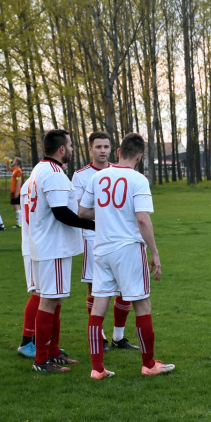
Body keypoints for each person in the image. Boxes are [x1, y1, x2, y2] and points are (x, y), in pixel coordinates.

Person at [78, 133, 174, 379]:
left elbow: (83, 211)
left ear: (118, 150)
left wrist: (107, 217)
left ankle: (97, 368)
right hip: (128, 249)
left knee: (99, 305)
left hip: (101, 249)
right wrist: (155, 253)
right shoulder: (138, 179)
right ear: (140, 157)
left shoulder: (98, 177)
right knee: (142, 304)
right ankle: (149, 364)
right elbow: (142, 218)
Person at [28, 129, 95, 373]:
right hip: (53, 246)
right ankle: (41, 359)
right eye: (70, 145)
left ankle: (53, 352)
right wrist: (93, 224)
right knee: (49, 301)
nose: (72, 149)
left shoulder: (41, 168)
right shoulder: (54, 173)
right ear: (62, 149)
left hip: (48, 244)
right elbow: (62, 213)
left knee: (55, 300)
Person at [72, 132, 138, 351]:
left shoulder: (118, 172)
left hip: (120, 238)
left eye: (106, 146)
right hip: (93, 238)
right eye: (98, 146)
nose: (102, 150)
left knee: (124, 289)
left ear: (113, 150)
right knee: (95, 290)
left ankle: (118, 337)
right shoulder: (80, 176)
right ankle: (99, 336)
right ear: (90, 149)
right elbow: (79, 211)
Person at [17, 178, 39, 358]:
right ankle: (26, 342)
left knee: (48, 295)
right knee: (38, 293)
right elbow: (30, 217)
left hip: (43, 247)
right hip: (34, 247)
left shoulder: (36, 180)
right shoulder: (32, 183)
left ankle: (40, 341)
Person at [6, 157, 24, 228]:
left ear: (17, 163)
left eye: (14, 160)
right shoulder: (14, 170)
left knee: (16, 206)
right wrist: (7, 161)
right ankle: (19, 223)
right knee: (16, 207)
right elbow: (8, 168)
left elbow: (19, 181)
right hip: (13, 191)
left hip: (16, 191)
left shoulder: (18, 170)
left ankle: (20, 223)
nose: (13, 161)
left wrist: (17, 192)